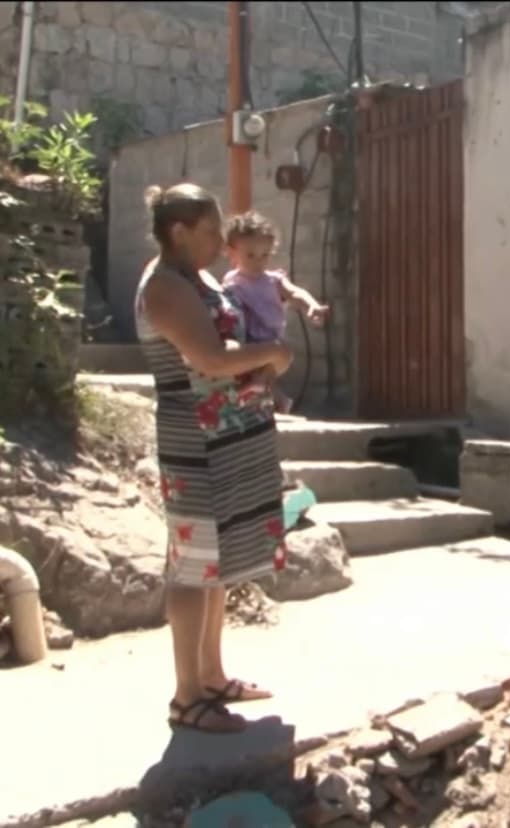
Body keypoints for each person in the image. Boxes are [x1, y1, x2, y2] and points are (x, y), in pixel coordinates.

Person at [135, 183, 294, 734]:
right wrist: (273, 354)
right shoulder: (163, 288)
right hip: (195, 443)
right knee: (192, 563)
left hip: (229, 436)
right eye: (209, 231)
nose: (219, 240)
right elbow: (206, 356)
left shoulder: (196, 279)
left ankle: (212, 676)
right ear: (178, 231)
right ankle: (187, 698)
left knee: (216, 564)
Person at [221, 210, 330, 414]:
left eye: (265, 255)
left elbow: (295, 292)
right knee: (254, 370)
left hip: (270, 337)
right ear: (231, 252)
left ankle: (270, 395)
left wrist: (311, 305)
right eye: (250, 255)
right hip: (244, 336)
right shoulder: (231, 281)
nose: (258, 261)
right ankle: (277, 399)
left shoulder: (273, 280)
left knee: (267, 369)